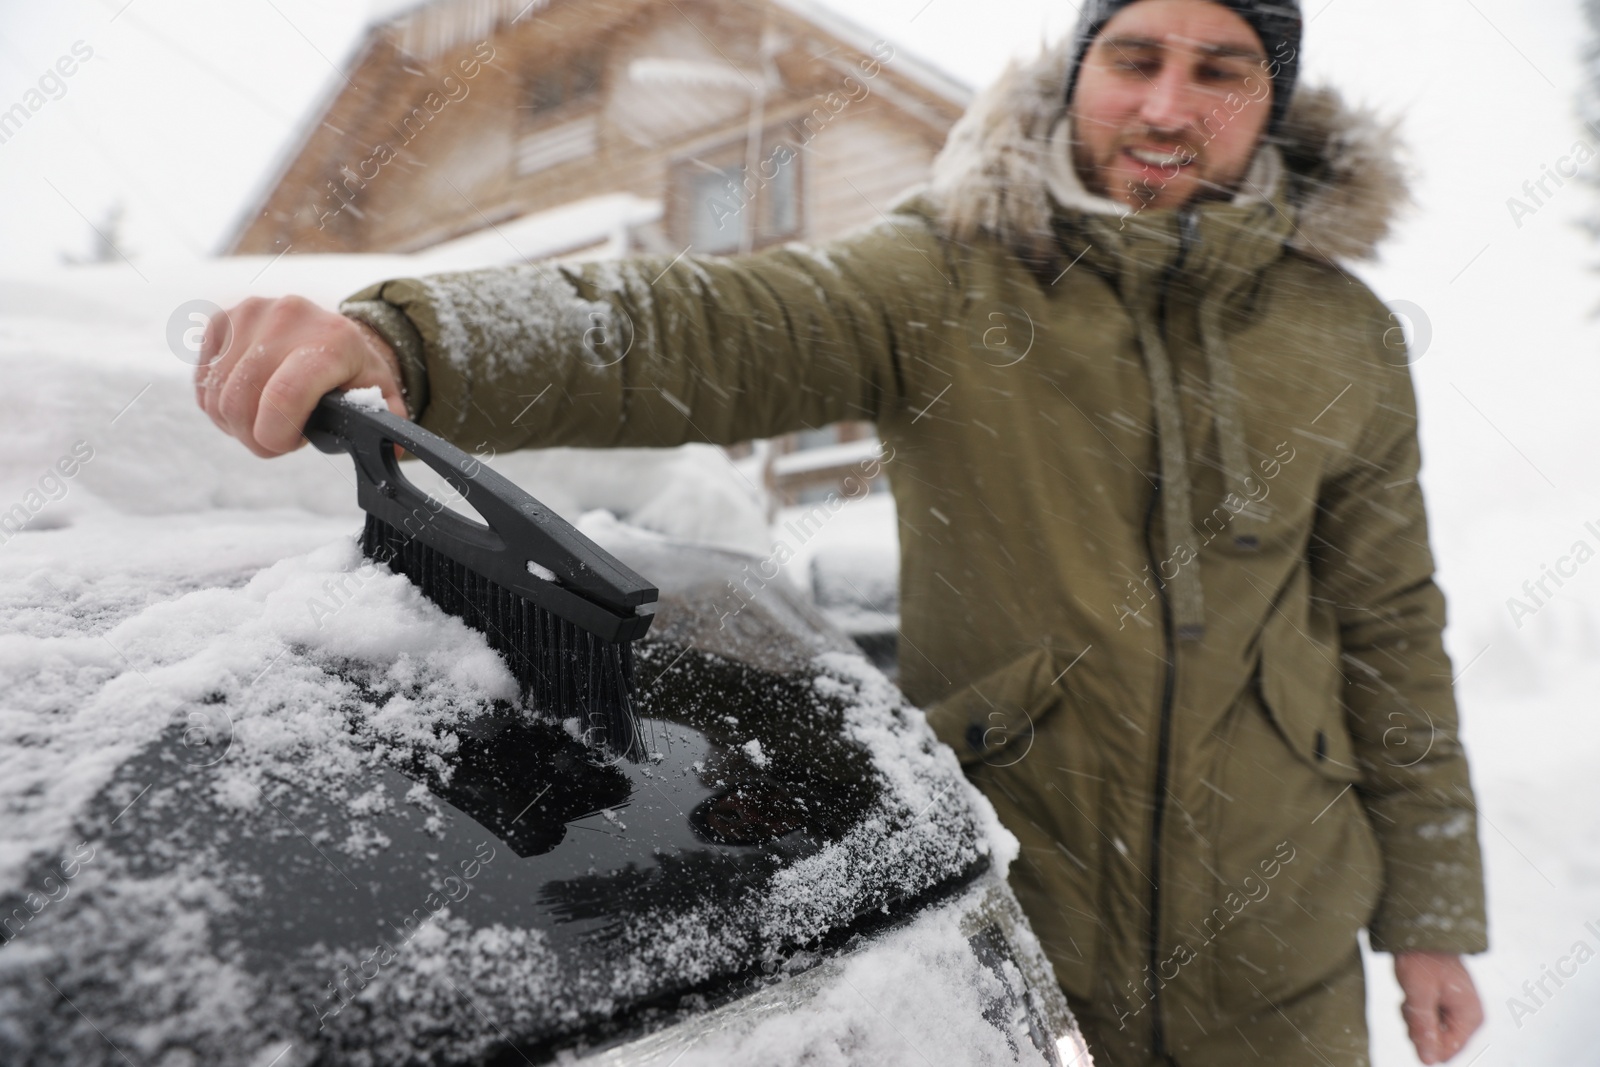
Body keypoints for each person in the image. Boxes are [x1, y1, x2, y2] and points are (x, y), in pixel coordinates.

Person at [196, 1, 1489, 1063]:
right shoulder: (946, 275)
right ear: (1076, 71)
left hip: (1286, 942)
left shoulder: (1343, 335)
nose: (1166, 106)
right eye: (1134, 56)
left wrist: (1431, 917)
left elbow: (1389, 625)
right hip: (1024, 919)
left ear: (1276, 101)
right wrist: (414, 338)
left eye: (1221, 70)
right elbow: (689, 326)